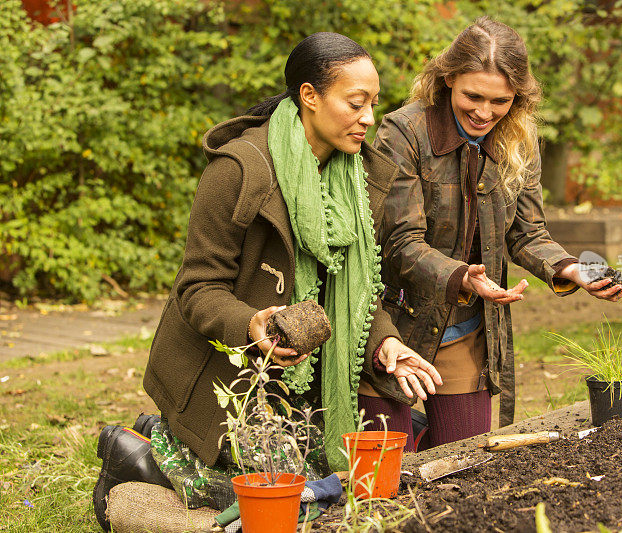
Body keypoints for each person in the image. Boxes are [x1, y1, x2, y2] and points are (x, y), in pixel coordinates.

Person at [92, 32, 441, 531]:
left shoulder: (360, 176)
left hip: (310, 378)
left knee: (336, 484)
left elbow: (361, 289)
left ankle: (163, 440)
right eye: (355, 103)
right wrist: (252, 322)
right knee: (286, 496)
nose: (369, 119)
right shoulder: (239, 169)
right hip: (228, 371)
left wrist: (385, 342)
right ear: (309, 96)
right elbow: (197, 288)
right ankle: (143, 455)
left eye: (373, 105)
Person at [357, 17, 622, 450]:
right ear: (448, 79)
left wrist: (572, 269)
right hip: (397, 325)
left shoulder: (520, 138)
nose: (484, 112)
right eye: (473, 96)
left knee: (466, 465)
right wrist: (463, 276)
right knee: (386, 479)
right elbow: (399, 243)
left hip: (468, 332)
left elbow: (526, 231)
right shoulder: (403, 133)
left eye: (500, 101)